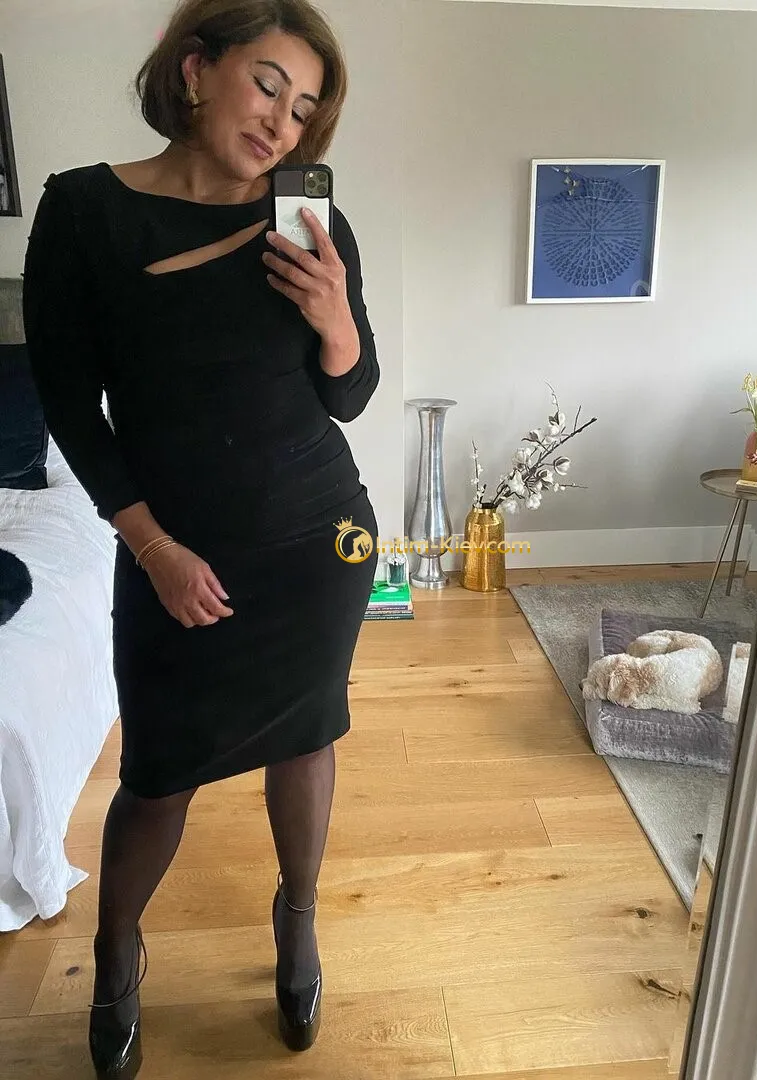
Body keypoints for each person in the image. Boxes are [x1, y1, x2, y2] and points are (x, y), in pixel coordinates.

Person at [21, 1, 379, 1075]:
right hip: (171, 551)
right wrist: (152, 549)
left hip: (320, 538)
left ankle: (298, 917)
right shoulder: (85, 212)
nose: (282, 122)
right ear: (195, 69)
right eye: (267, 85)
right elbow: (70, 406)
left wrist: (337, 318)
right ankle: (118, 945)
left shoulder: (311, 222)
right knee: (159, 774)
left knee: (308, 736)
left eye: (304, 108)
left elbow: (351, 393)